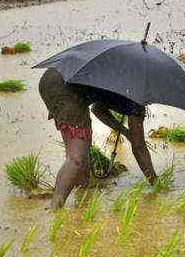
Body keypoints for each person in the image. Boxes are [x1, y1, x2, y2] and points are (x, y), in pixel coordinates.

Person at [39, 68, 157, 210]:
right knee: (76, 158)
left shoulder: (127, 78)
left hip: (52, 78)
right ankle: (55, 209)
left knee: (82, 150)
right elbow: (139, 147)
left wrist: (124, 132)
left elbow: (97, 109)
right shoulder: (137, 98)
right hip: (65, 88)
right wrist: (156, 185)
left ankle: (82, 197)